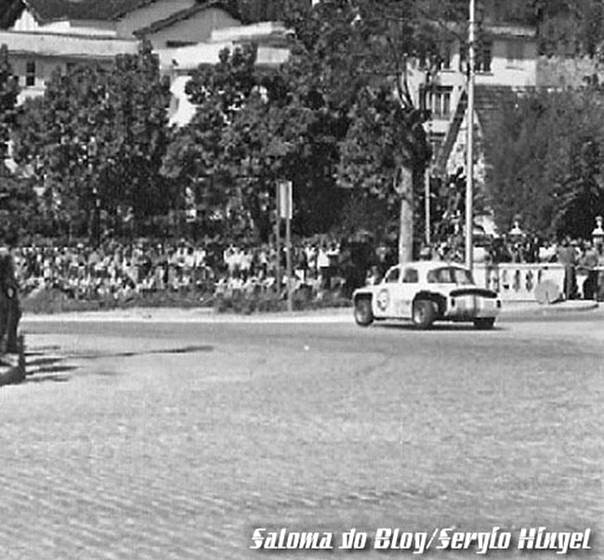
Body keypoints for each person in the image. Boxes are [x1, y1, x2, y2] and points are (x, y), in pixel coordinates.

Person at [0, 244, 22, 355]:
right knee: (6, 318)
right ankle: (8, 347)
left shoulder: (5, 255)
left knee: (9, 317)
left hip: (5, 292)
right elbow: (8, 279)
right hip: (4, 293)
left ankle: (8, 346)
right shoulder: (5, 256)